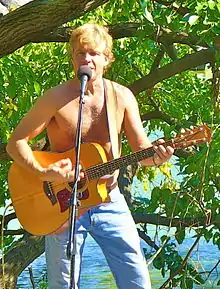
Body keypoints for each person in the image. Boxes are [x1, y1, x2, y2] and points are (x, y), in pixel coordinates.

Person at [6, 23, 174, 289]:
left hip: (110, 199)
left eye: (94, 53)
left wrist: (158, 156)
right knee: (63, 286)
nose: (86, 59)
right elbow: (16, 143)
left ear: (107, 58)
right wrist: (44, 172)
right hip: (63, 203)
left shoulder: (123, 97)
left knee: (138, 282)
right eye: (79, 54)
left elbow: (142, 152)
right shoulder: (54, 98)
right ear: (72, 58)